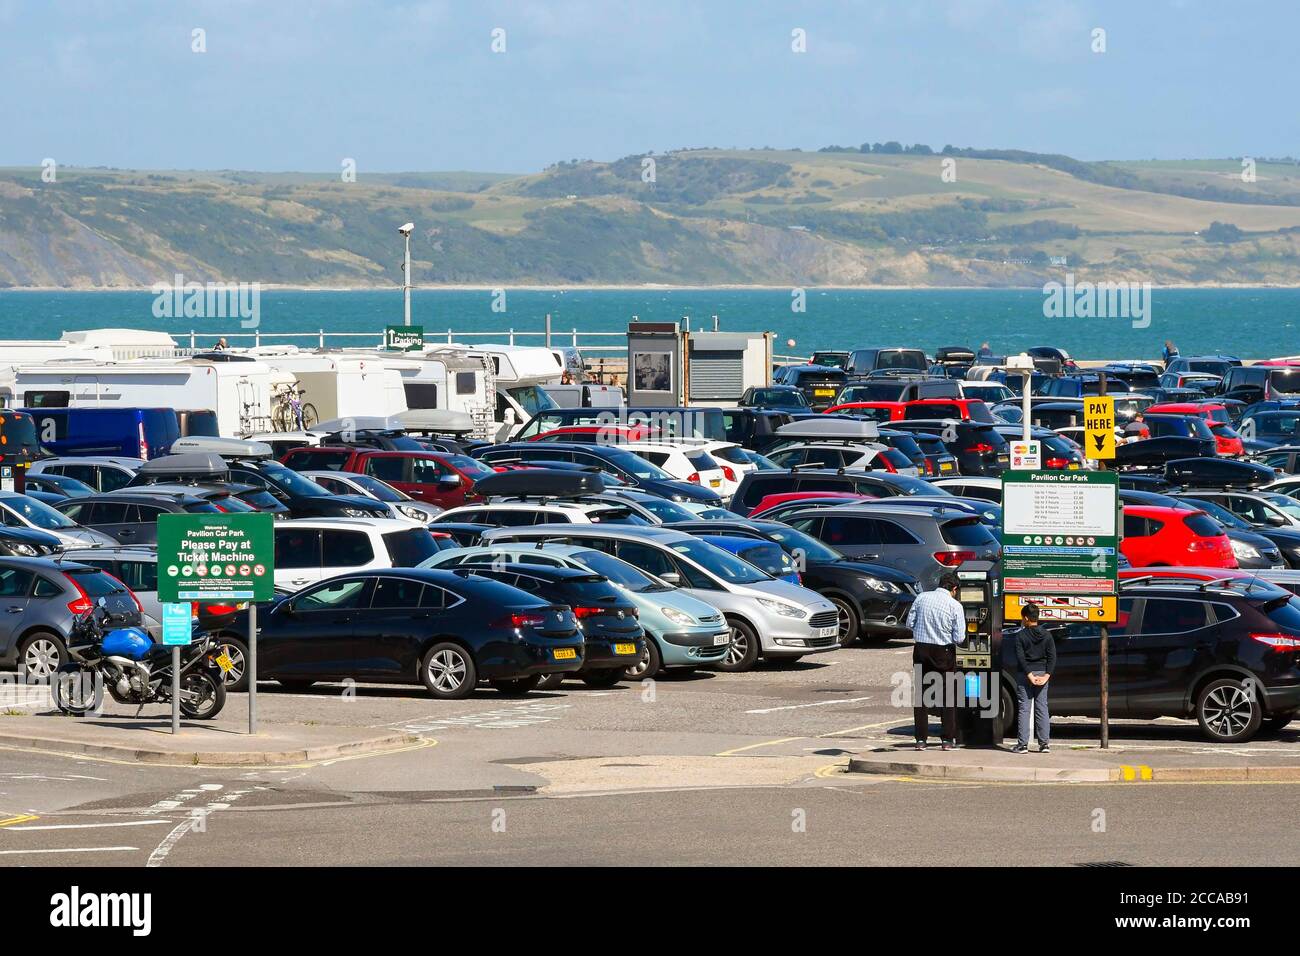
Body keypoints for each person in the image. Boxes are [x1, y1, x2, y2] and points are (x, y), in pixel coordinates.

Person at [905, 572, 965, 751]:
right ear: (954, 589)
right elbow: (960, 637)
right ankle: (947, 740)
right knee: (948, 696)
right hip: (943, 652)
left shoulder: (922, 598)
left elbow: (909, 623)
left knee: (921, 696)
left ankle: (920, 740)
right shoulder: (955, 605)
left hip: (921, 649)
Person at [1013, 604, 1056, 754]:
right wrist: (1046, 676)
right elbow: (1052, 657)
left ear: (1026, 618)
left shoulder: (1020, 636)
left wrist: (1029, 675)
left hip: (1025, 675)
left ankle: (1022, 745)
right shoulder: (1047, 635)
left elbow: (1020, 657)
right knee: (1042, 707)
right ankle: (1044, 744)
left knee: (1024, 708)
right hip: (1042, 673)